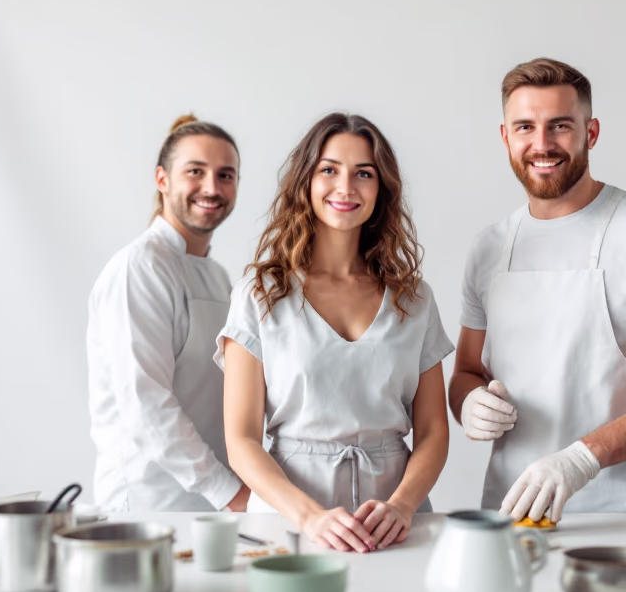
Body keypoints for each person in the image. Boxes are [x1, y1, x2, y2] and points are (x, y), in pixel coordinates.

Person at [449, 58, 626, 521]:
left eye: (560, 126)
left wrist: (582, 458)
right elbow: (466, 372)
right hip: (509, 514)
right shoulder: (489, 248)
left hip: (625, 520)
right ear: (505, 137)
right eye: (525, 127)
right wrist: (467, 403)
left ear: (590, 133)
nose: (542, 144)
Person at [219, 113, 451, 553]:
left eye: (363, 173)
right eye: (329, 170)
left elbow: (434, 432)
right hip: (287, 520)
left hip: (394, 525)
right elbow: (241, 440)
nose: (345, 187)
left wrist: (402, 506)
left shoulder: (414, 298)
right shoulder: (260, 294)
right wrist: (310, 517)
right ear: (306, 181)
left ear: (381, 189)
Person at [87, 115, 250, 513]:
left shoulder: (218, 277)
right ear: (162, 179)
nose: (212, 188)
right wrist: (229, 493)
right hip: (148, 503)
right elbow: (146, 404)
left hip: (214, 501)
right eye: (196, 171)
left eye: (225, 175)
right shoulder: (139, 268)